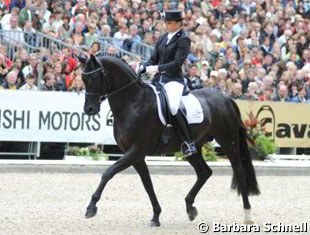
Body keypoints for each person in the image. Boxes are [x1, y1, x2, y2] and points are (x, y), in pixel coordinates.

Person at [140, 10, 197, 157]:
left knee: (172, 106)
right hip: (158, 79)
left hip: (173, 79)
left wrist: (157, 68)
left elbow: (177, 63)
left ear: (178, 23)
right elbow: (154, 58)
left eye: (170, 23)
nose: (167, 25)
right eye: (166, 22)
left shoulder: (184, 39)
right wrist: (143, 66)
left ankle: (188, 142)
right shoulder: (162, 38)